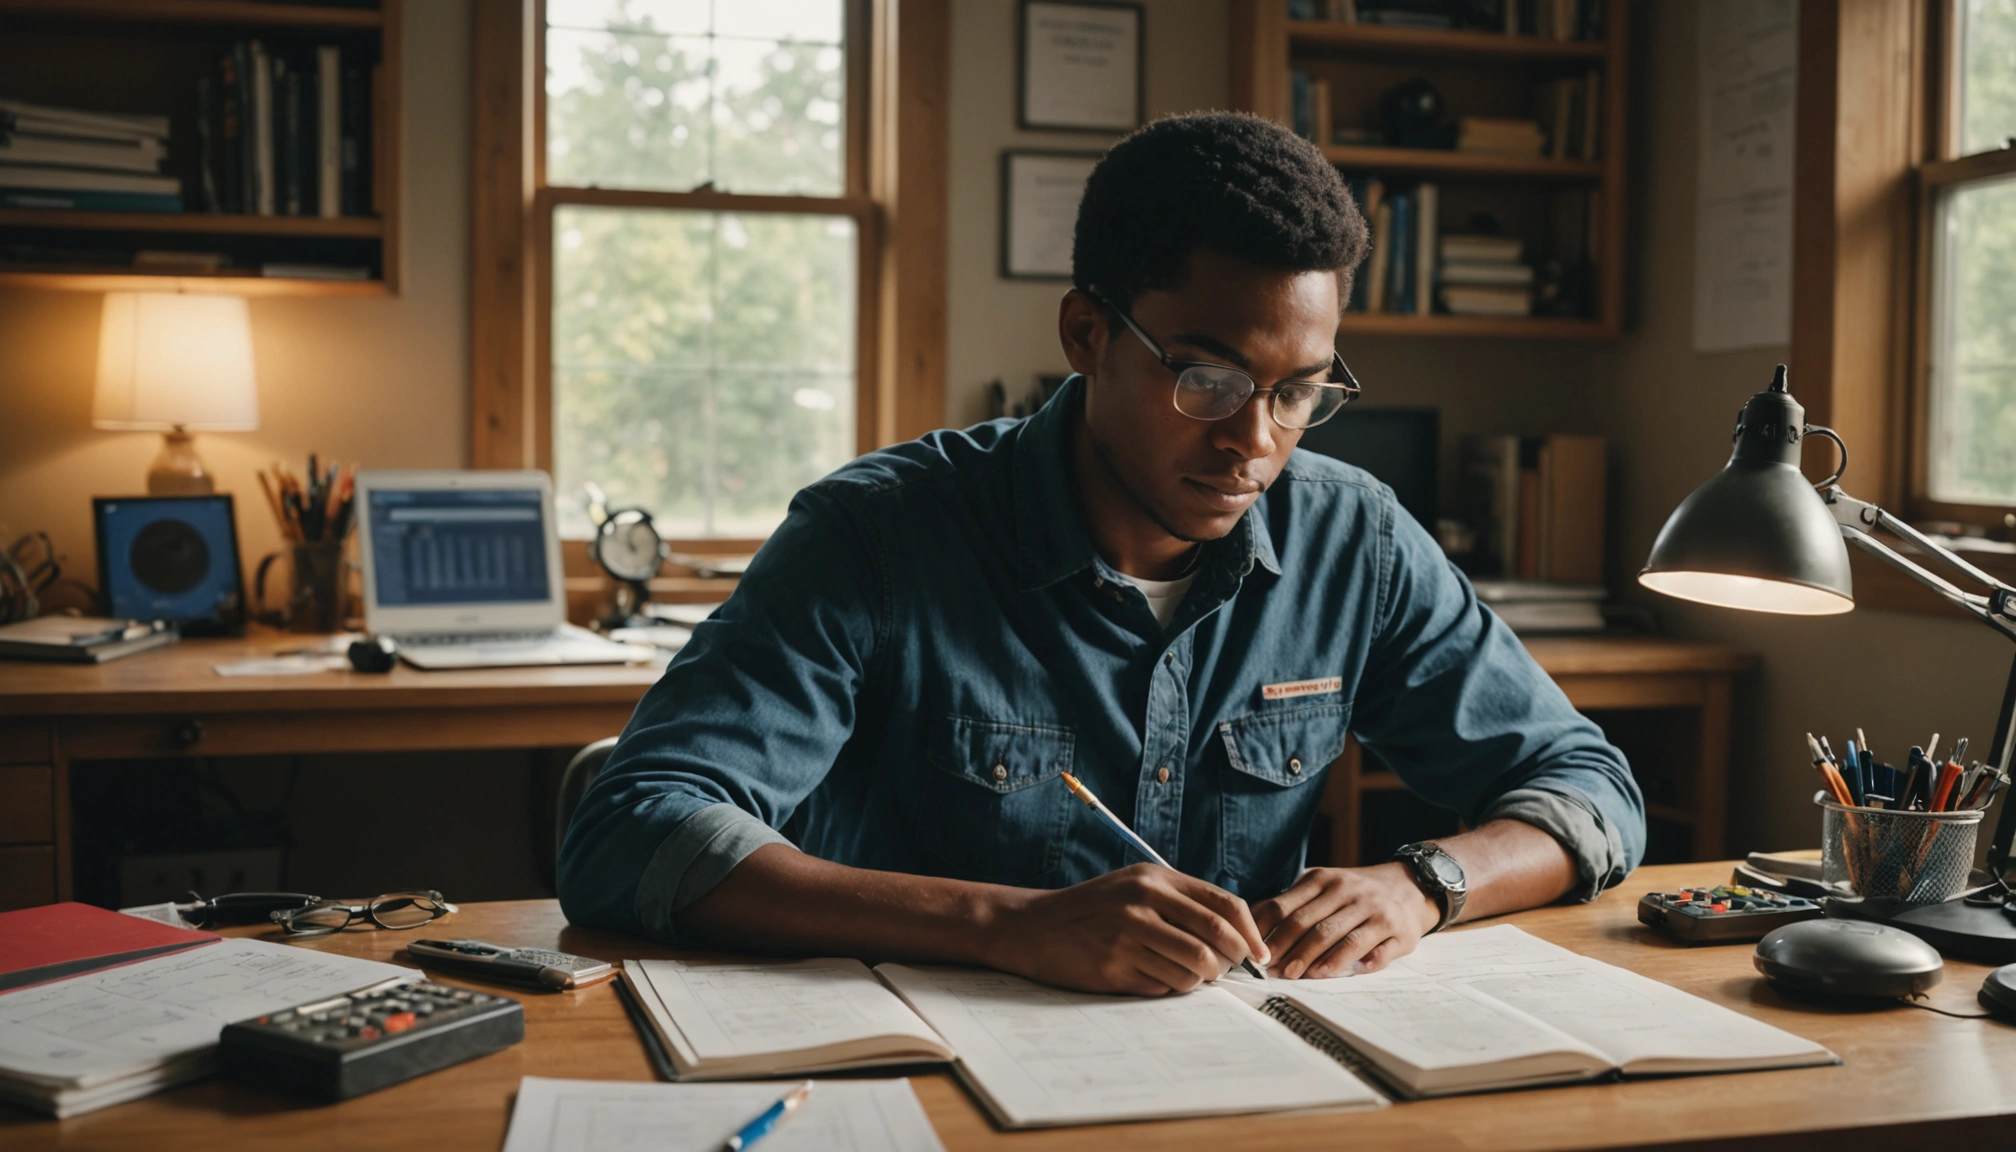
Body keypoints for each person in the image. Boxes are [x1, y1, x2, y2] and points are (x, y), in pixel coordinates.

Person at [559, 111, 1643, 996]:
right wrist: (1008, 926)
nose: (1254, 442)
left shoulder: (1352, 537)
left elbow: (1590, 787)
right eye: (1208, 380)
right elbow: (631, 827)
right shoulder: (875, 536)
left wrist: (1425, 882)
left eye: (1299, 392)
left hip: (1234, 1074)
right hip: (914, 1079)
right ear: (1087, 336)